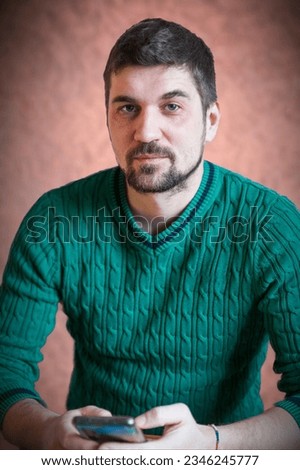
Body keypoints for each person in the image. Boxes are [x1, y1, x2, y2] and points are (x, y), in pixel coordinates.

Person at [0, 17, 299, 450]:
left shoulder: (270, 225)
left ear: (211, 120)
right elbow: (5, 370)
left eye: (172, 106)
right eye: (127, 108)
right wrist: (45, 430)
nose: (145, 131)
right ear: (107, 117)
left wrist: (211, 445)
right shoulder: (53, 221)